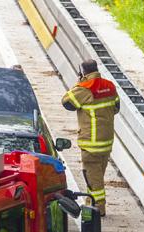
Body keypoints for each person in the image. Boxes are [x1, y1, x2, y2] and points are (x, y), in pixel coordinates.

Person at [61, 58, 120, 217]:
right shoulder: (110, 86)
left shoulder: (84, 88)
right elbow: (116, 108)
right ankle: (91, 202)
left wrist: (78, 83)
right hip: (106, 142)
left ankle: (97, 208)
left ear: (83, 72)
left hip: (91, 144)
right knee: (97, 176)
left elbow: (66, 102)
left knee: (93, 179)